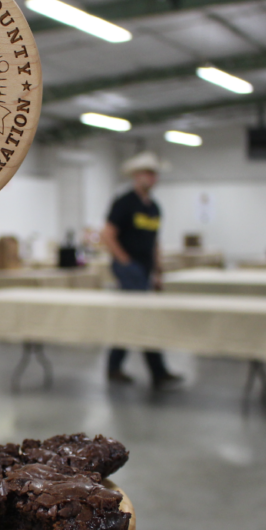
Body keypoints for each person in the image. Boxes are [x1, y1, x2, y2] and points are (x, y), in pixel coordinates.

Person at [102, 151, 183, 390]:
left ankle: (117, 367)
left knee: (134, 317)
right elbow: (107, 234)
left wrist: (158, 270)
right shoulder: (124, 202)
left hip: (145, 267)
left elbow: (154, 241)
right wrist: (124, 261)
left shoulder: (154, 208)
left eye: (155, 174)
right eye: (148, 173)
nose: (153, 178)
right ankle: (156, 371)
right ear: (136, 176)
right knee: (144, 316)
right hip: (129, 268)